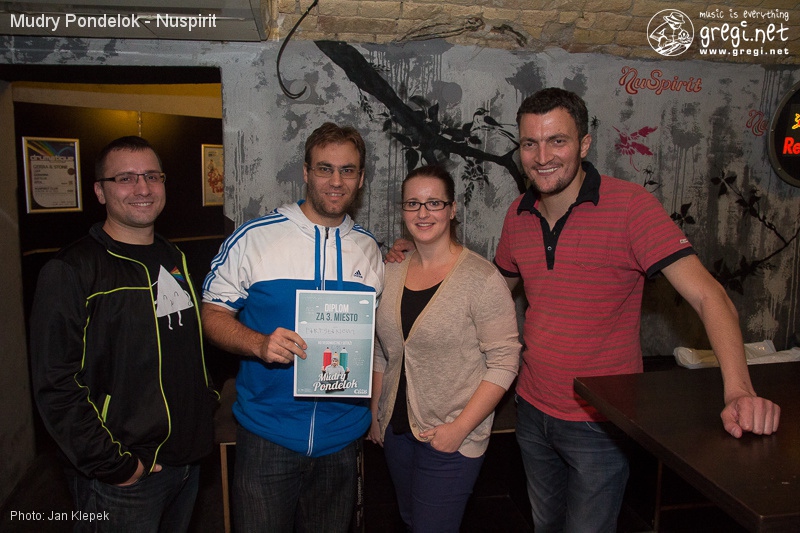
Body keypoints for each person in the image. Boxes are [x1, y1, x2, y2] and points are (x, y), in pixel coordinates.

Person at [389, 88, 781, 532]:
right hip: (531, 409)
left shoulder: (631, 207)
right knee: (545, 525)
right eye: (530, 143)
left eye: (557, 140)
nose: (542, 157)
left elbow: (711, 297)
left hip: (600, 420)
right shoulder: (518, 214)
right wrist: (423, 255)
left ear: (584, 144)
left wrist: (738, 391)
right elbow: (486, 292)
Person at [201, 122, 384, 532]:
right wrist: (258, 343)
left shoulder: (370, 249)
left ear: (360, 178)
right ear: (305, 172)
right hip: (268, 437)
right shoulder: (254, 238)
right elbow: (211, 315)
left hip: (342, 440)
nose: (336, 181)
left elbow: (375, 339)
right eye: (324, 169)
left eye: (348, 170)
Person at [30, 136, 217, 533]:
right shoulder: (72, 270)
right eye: (126, 178)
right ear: (100, 191)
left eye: (152, 176)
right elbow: (56, 383)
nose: (143, 188)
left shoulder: (173, 257)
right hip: (124, 476)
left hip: (186, 461)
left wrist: (206, 404)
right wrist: (114, 464)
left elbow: (185, 349)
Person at [368, 165, 521, 532]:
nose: (423, 213)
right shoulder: (390, 272)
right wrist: (375, 413)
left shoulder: (482, 279)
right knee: (410, 519)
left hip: (452, 433)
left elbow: (505, 361)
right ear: (403, 211)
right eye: (413, 203)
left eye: (434, 203)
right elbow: (382, 350)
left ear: (452, 209)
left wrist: (460, 428)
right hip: (397, 432)